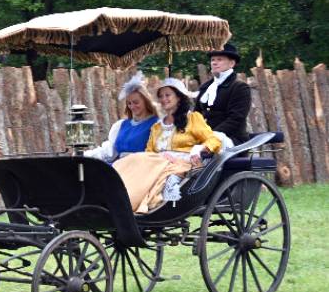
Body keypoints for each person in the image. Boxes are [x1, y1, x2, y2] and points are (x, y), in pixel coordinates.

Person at [113, 78, 222, 213]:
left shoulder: (193, 118)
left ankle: (129, 202)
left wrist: (199, 148)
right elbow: (149, 152)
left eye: (167, 95)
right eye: (161, 96)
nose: (163, 99)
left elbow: (214, 140)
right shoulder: (157, 126)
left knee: (138, 161)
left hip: (181, 165)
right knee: (129, 162)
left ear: (179, 97)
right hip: (158, 163)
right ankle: (118, 198)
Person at [84, 72, 158, 162]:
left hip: (142, 168)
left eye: (136, 102)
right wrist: (84, 155)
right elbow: (108, 153)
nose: (132, 106)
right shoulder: (120, 125)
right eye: (129, 103)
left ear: (146, 101)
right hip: (119, 167)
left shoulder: (156, 124)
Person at [194, 42, 251, 147]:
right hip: (204, 137)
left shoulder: (240, 88)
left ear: (231, 63)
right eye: (213, 60)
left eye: (219, 59)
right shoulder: (205, 87)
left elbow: (235, 119)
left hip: (231, 139)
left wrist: (211, 136)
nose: (214, 63)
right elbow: (196, 114)